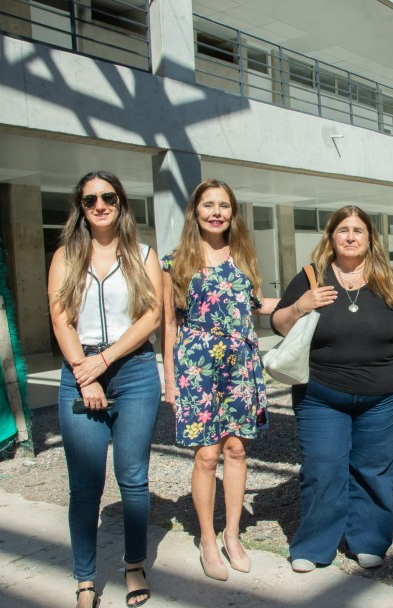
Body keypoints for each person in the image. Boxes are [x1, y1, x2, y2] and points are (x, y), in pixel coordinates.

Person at [271, 206, 393, 573]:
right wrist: (299, 306)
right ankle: (313, 545)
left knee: (373, 468)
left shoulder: (390, 281)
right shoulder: (312, 277)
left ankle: (368, 540)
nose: (351, 236)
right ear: (331, 237)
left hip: (383, 396)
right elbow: (278, 324)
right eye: (343, 230)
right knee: (323, 466)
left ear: (370, 238)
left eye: (358, 230)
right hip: (321, 393)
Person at [48, 171, 163, 608]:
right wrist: (86, 372)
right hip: (81, 371)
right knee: (85, 485)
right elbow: (61, 319)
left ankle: (134, 566)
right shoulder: (64, 255)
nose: (100, 204)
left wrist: (106, 360)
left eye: (108, 196)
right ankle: (84, 579)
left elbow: (152, 317)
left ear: (121, 203)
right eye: (90, 198)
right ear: (80, 206)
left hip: (133, 371)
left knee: (133, 478)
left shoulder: (143, 253)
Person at [161, 179, 277, 581]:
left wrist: (304, 302)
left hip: (241, 363)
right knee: (207, 455)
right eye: (208, 204)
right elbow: (168, 324)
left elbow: (256, 305)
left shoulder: (243, 255)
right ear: (195, 211)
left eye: (223, 205)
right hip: (197, 365)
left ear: (232, 212)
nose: (216, 212)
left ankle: (232, 534)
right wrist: (170, 380)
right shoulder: (175, 261)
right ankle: (207, 540)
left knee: (237, 451)